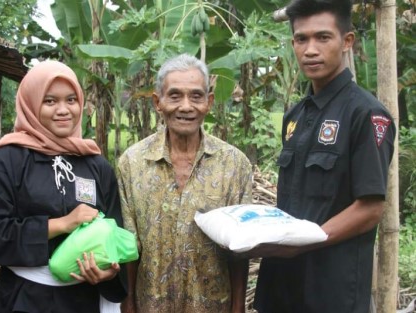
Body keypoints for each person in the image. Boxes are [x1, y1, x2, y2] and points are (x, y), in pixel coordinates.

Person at [251, 0, 396, 312]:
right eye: (302, 39)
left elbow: (370, 207)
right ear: (293, 43)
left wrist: (305, 240)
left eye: (323, 37)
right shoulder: (295, 116)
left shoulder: (366, 114)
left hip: (331, 291)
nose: (310, 50)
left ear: (347, 42)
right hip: (282, 287)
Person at [0, 60, 127, 313]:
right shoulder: (7, 160)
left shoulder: (96, 165)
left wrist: (109, 273)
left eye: (71, 100)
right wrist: (61, 224)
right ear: (31, 104)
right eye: (50, 101)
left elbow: (115, 231)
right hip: (25, 299)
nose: (63, 110)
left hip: (83, 300)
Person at [117, 53, 252, 313]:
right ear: (158, 102)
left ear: (209, 102)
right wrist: (128, 305)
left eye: (196, 96)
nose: (186, 106)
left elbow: (239, 251)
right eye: (175, 95)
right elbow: (129, 248)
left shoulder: (235, 165)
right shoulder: (132, 164)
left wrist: (238, 308)